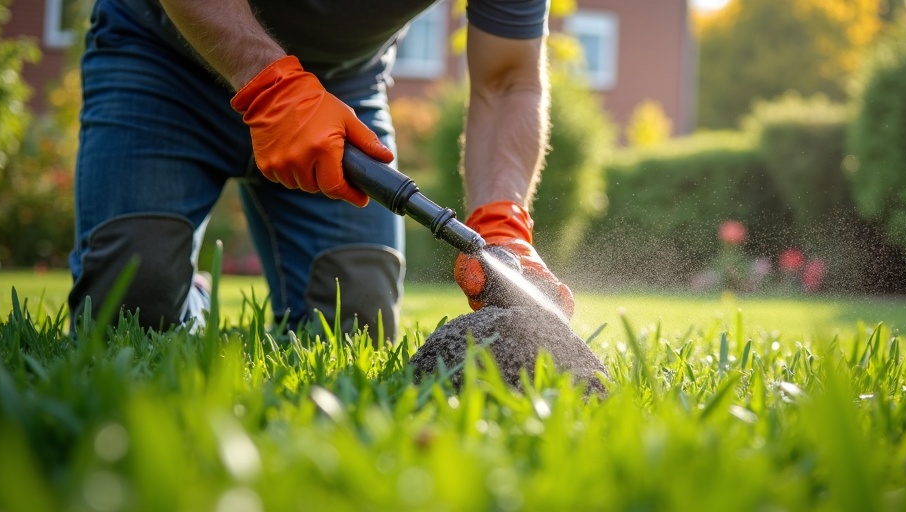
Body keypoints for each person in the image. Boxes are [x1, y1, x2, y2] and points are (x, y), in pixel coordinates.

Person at [68, 0, 574, 339]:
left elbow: (508, 80)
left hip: (340, 90)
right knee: (128, 313)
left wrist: (502, 223)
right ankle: (187, 296)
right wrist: (273, 90)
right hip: (162, 59)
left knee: (355, 324)